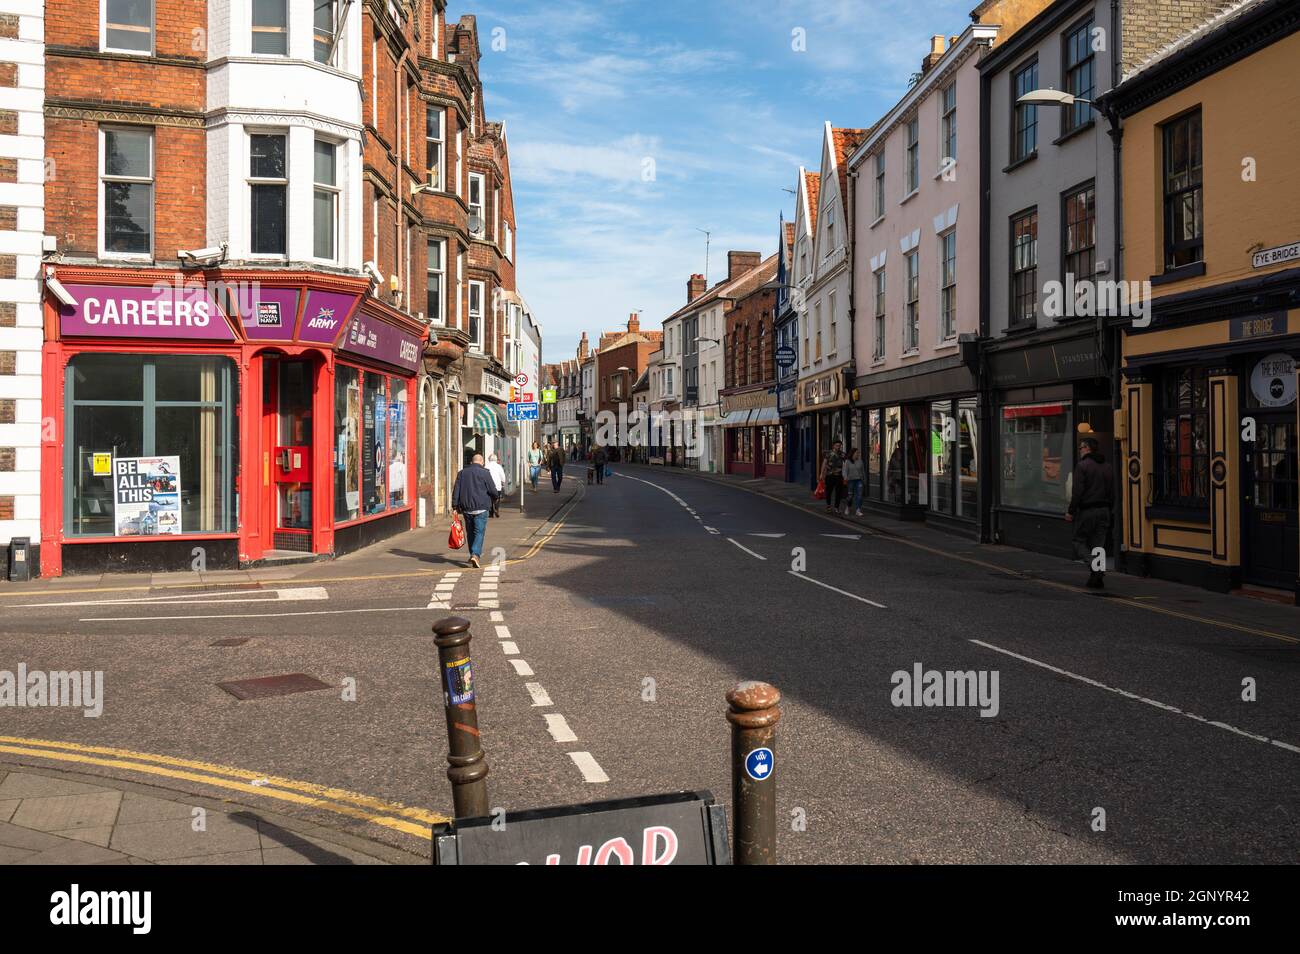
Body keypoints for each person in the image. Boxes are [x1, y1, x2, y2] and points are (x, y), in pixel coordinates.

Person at [1066, 435, 1114, 589]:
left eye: (1081, 448)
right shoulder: (1108, 466)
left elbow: (1077, 492)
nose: (1080, 450)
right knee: (1098, 545)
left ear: (1087, 448)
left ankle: (1095, 568)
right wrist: (1110, 510)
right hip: (1104, 510)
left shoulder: (1083, 466)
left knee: (1078, 541)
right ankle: (1097, 579)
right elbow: (1113, 492)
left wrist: (1071, 511)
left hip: (1088, 511)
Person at [451, 454, 499, 569]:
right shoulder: (485, 473)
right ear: (481, 462)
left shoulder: (462, 473)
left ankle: (472, 553)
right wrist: (495, 497)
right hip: (482, 508)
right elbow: (493, 490)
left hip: (467, 509)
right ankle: (475, 554)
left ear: (472, 462)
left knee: (470, 532)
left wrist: (454, 506)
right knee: (479, 532)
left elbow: (456, 489)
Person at [820, 439, 845, 514]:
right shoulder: (828, 454)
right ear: (833, 446)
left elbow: (846, 463)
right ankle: (828, 506)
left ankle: (836, 508)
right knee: (829, 492)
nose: (838, 447)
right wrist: (821, 474)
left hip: (839, 476)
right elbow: (824, 464)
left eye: (840, 446)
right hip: (830, 476)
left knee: (838, 493)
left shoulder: (842, 454)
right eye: (837, 445)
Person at [843, 448, 865, 516]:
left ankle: (858, 510)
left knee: (860, 496)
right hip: (850, 481)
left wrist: (864, 480)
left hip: (859, 480)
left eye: (859, 453)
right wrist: (845, 479)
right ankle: (847, 507)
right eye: (857, 453)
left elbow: (863, 471)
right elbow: (844, 471)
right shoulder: (847, 461)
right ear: (853, 453)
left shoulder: (860, 461)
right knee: (850, 496)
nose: (858, 454)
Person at [486, 453, 506, 517]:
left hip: (488, 486)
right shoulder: (499, 466)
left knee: (489, 499)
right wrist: (503, 481)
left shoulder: (486, 466)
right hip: (497, 486)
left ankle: (491, 513)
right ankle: (497, 509)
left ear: (489, 459)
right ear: (496, 459)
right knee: (497, 498)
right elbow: (502, 476)